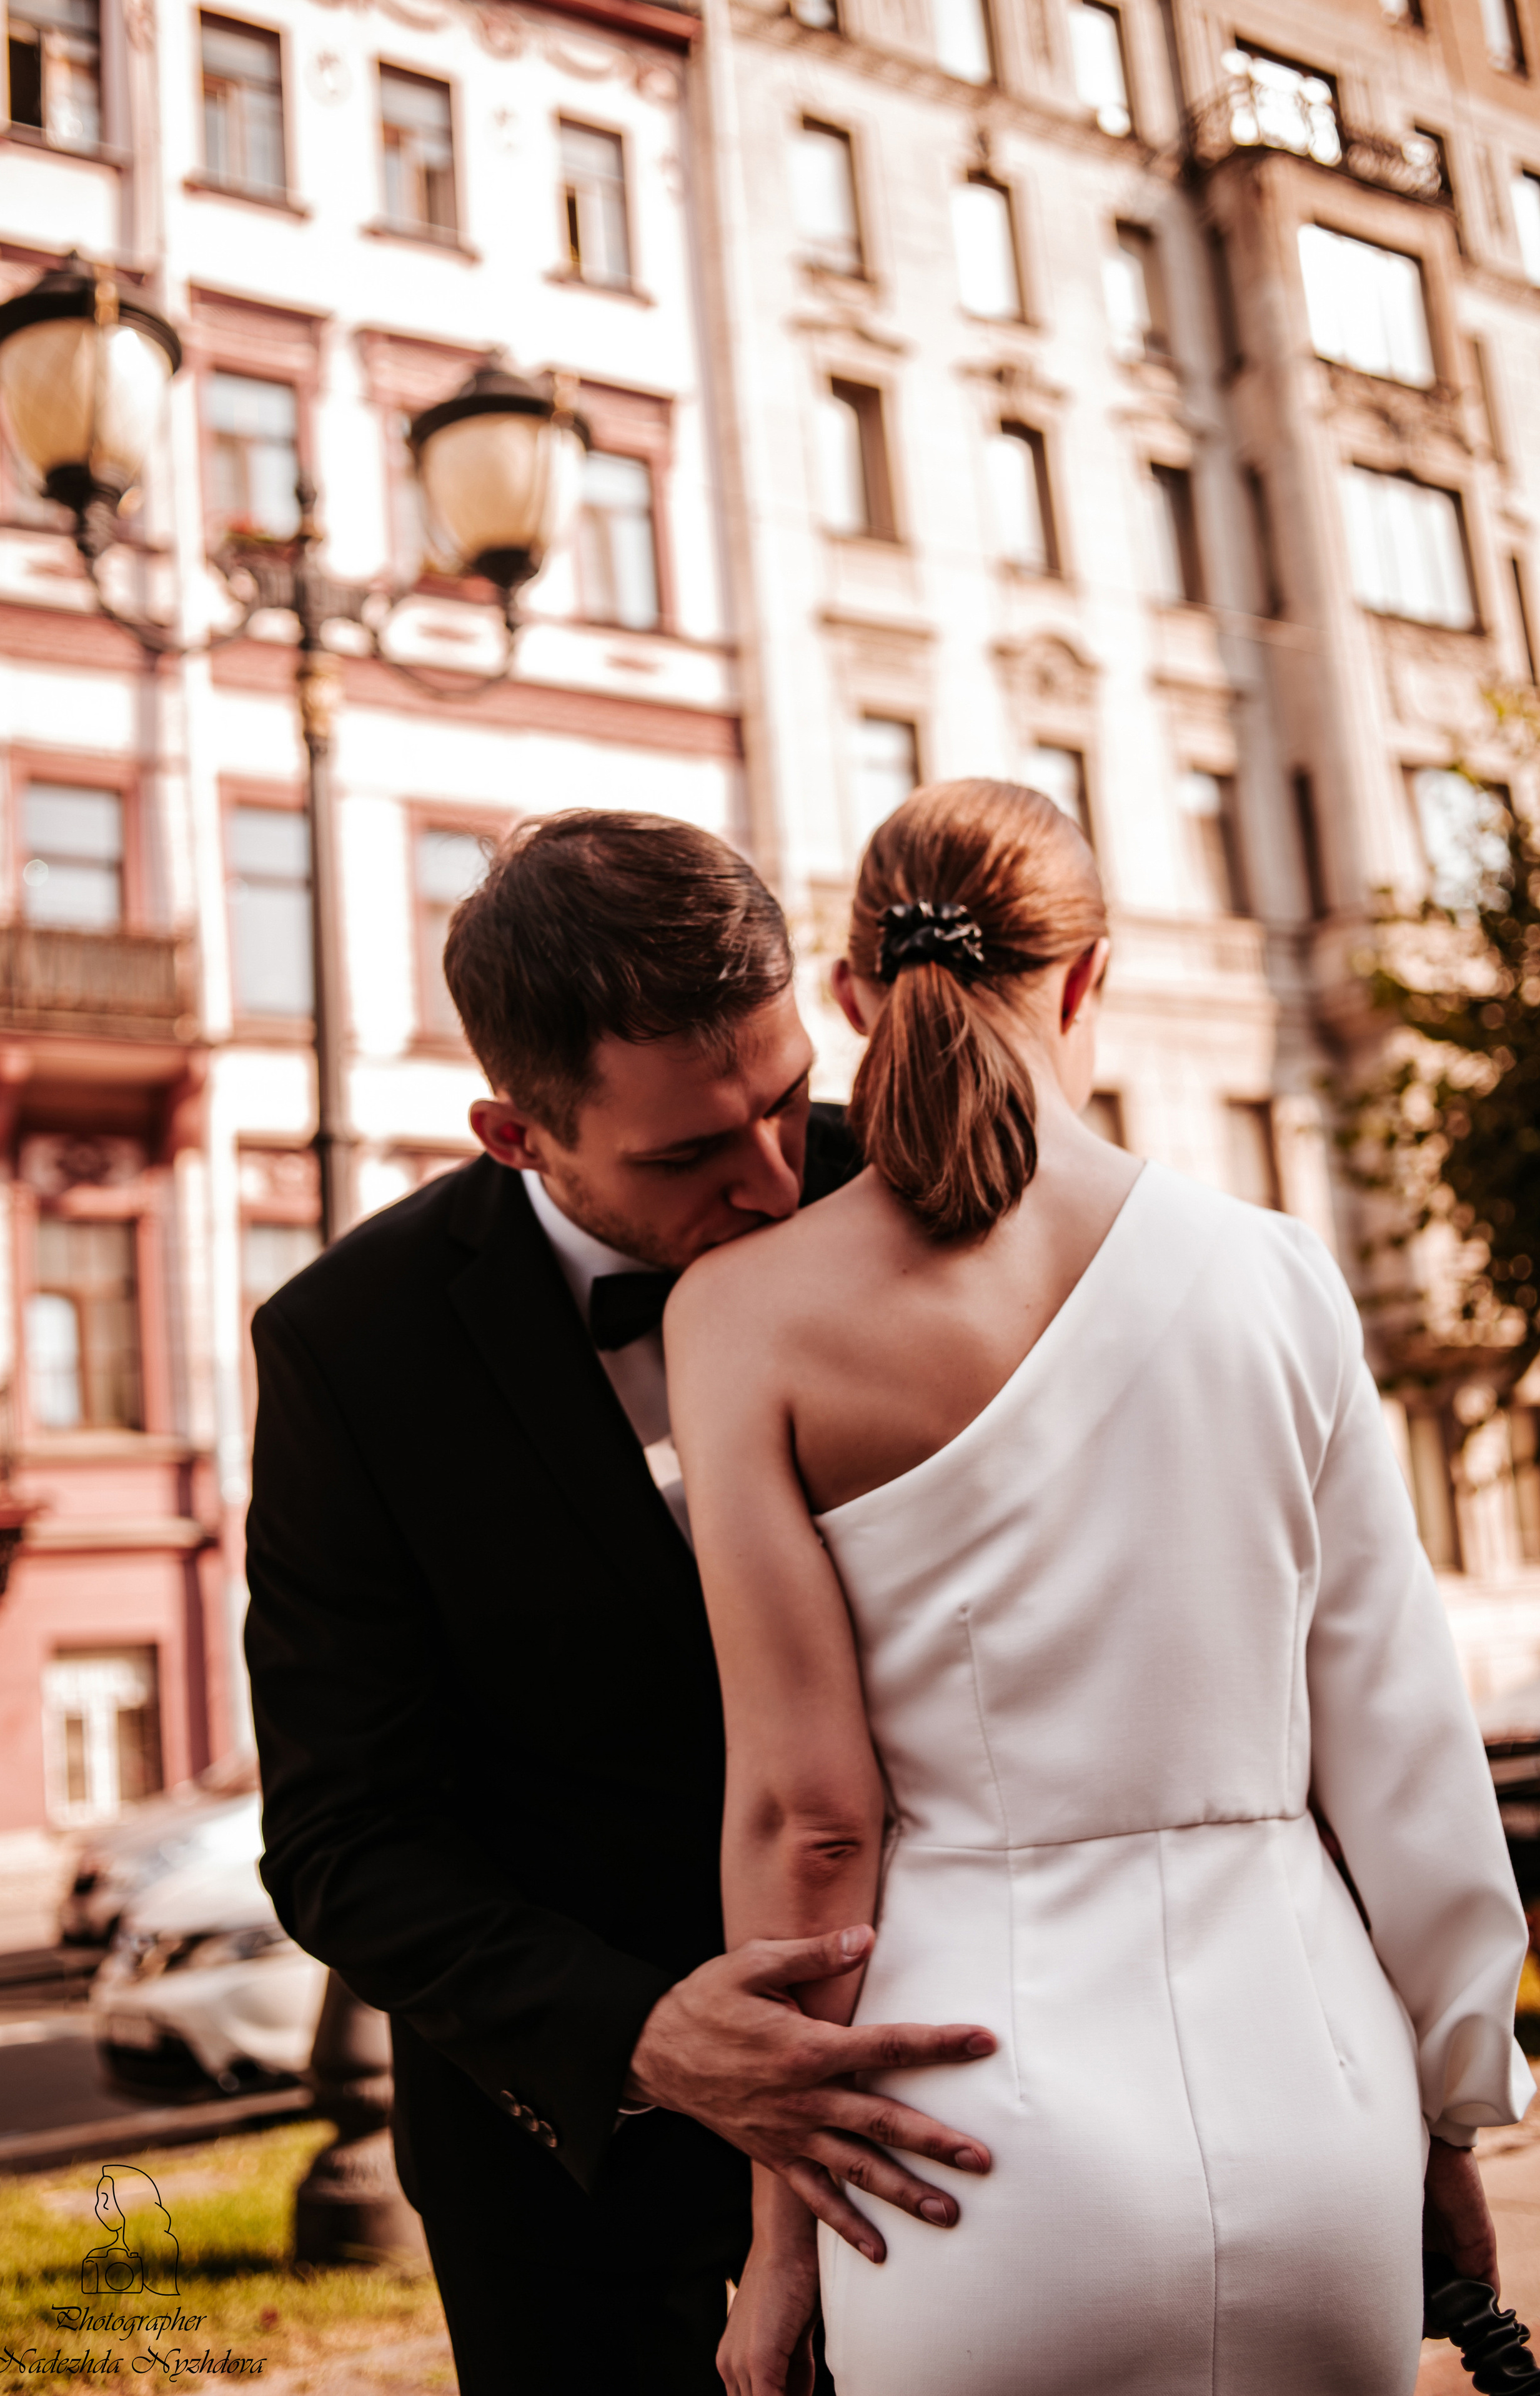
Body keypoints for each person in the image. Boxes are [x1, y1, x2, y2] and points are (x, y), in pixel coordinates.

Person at [667, 778, 1534, 2396]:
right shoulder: (1278, 1276)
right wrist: (1451, 2130)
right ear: (1087, 982)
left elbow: (813, 1824)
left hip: (962, 2156)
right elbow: (1403, 1760)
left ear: (856, 1000)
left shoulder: (742, 1316)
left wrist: (780, 2248)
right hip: (1316, 2115)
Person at [243, 811, 999, 2396]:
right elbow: (342, 1838)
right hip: (576, 2197)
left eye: (787, 1099)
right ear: (515, 1135)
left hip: (954, 2103)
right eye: (686, 1156)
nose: (775, 1178)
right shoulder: (353, 1349)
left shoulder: (938, 1195)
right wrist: (646, 2037)